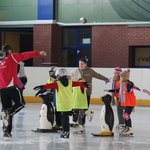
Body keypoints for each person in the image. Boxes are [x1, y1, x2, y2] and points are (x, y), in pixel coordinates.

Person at [0, 44, 47, 140]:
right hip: (12, 87)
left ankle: (7, 132)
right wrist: (38, 53)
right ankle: (8, 113)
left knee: (7, 109)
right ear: (9, 51)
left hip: (2, 89)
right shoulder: (12, 56)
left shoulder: (0, 62)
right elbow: (24, 55)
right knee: (21, 104)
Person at [34, 68, 87, 138]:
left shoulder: (58, 84)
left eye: (57, 76)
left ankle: (66, 132)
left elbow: (48, 86)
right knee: (66, 118)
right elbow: (78, 84)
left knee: (64, 119)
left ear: (59, 76)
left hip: (62, 104)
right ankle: (65, 131)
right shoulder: (70, 82)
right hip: (69, 104)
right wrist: (85, 84)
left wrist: (40, 87)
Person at [78, 58, 109, 124]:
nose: (80, 65)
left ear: (85, 64)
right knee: (80, 108)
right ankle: (80, 123)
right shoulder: (77, 71)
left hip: (87, 92)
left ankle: (82, 123)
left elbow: (97, 75)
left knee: (85, 107)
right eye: (79, 64)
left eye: (82, 64)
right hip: (79, 92)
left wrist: (105, 79)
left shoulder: (90, 71)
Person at [70, 69, 88, 134]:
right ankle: (80, 128)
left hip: (80, 102)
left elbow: (85, 87)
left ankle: (88, 112)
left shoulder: (81, 82)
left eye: (72, 76)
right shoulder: (76, 83)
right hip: (77, 101)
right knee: (79, 115)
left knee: (80, 115)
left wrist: (84, 84)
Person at [119, 69, 136, 136]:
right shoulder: (123, 84)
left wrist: (127, 89)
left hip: (131, 102)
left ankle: (130, 129)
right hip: (128, 102)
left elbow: (130, 89)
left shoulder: (129, 83)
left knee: (126, 115)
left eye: (121, 77)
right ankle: (127, 127)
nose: (120, 78)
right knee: (125, 115)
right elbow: (119, 91)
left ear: (124, 77)